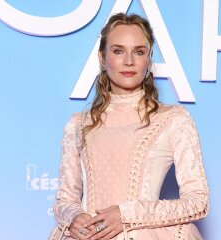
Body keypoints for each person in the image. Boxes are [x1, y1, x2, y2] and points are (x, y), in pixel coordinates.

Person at [51, 13, 209, 240]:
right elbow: (65, 200)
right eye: (118, 51)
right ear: (102, 58)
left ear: (149, 59)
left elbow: (198, 201)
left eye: (139, 51)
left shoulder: (174, 119)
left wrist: (126, 213)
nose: (129, 61)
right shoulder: (78, 124)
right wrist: (74, 218)